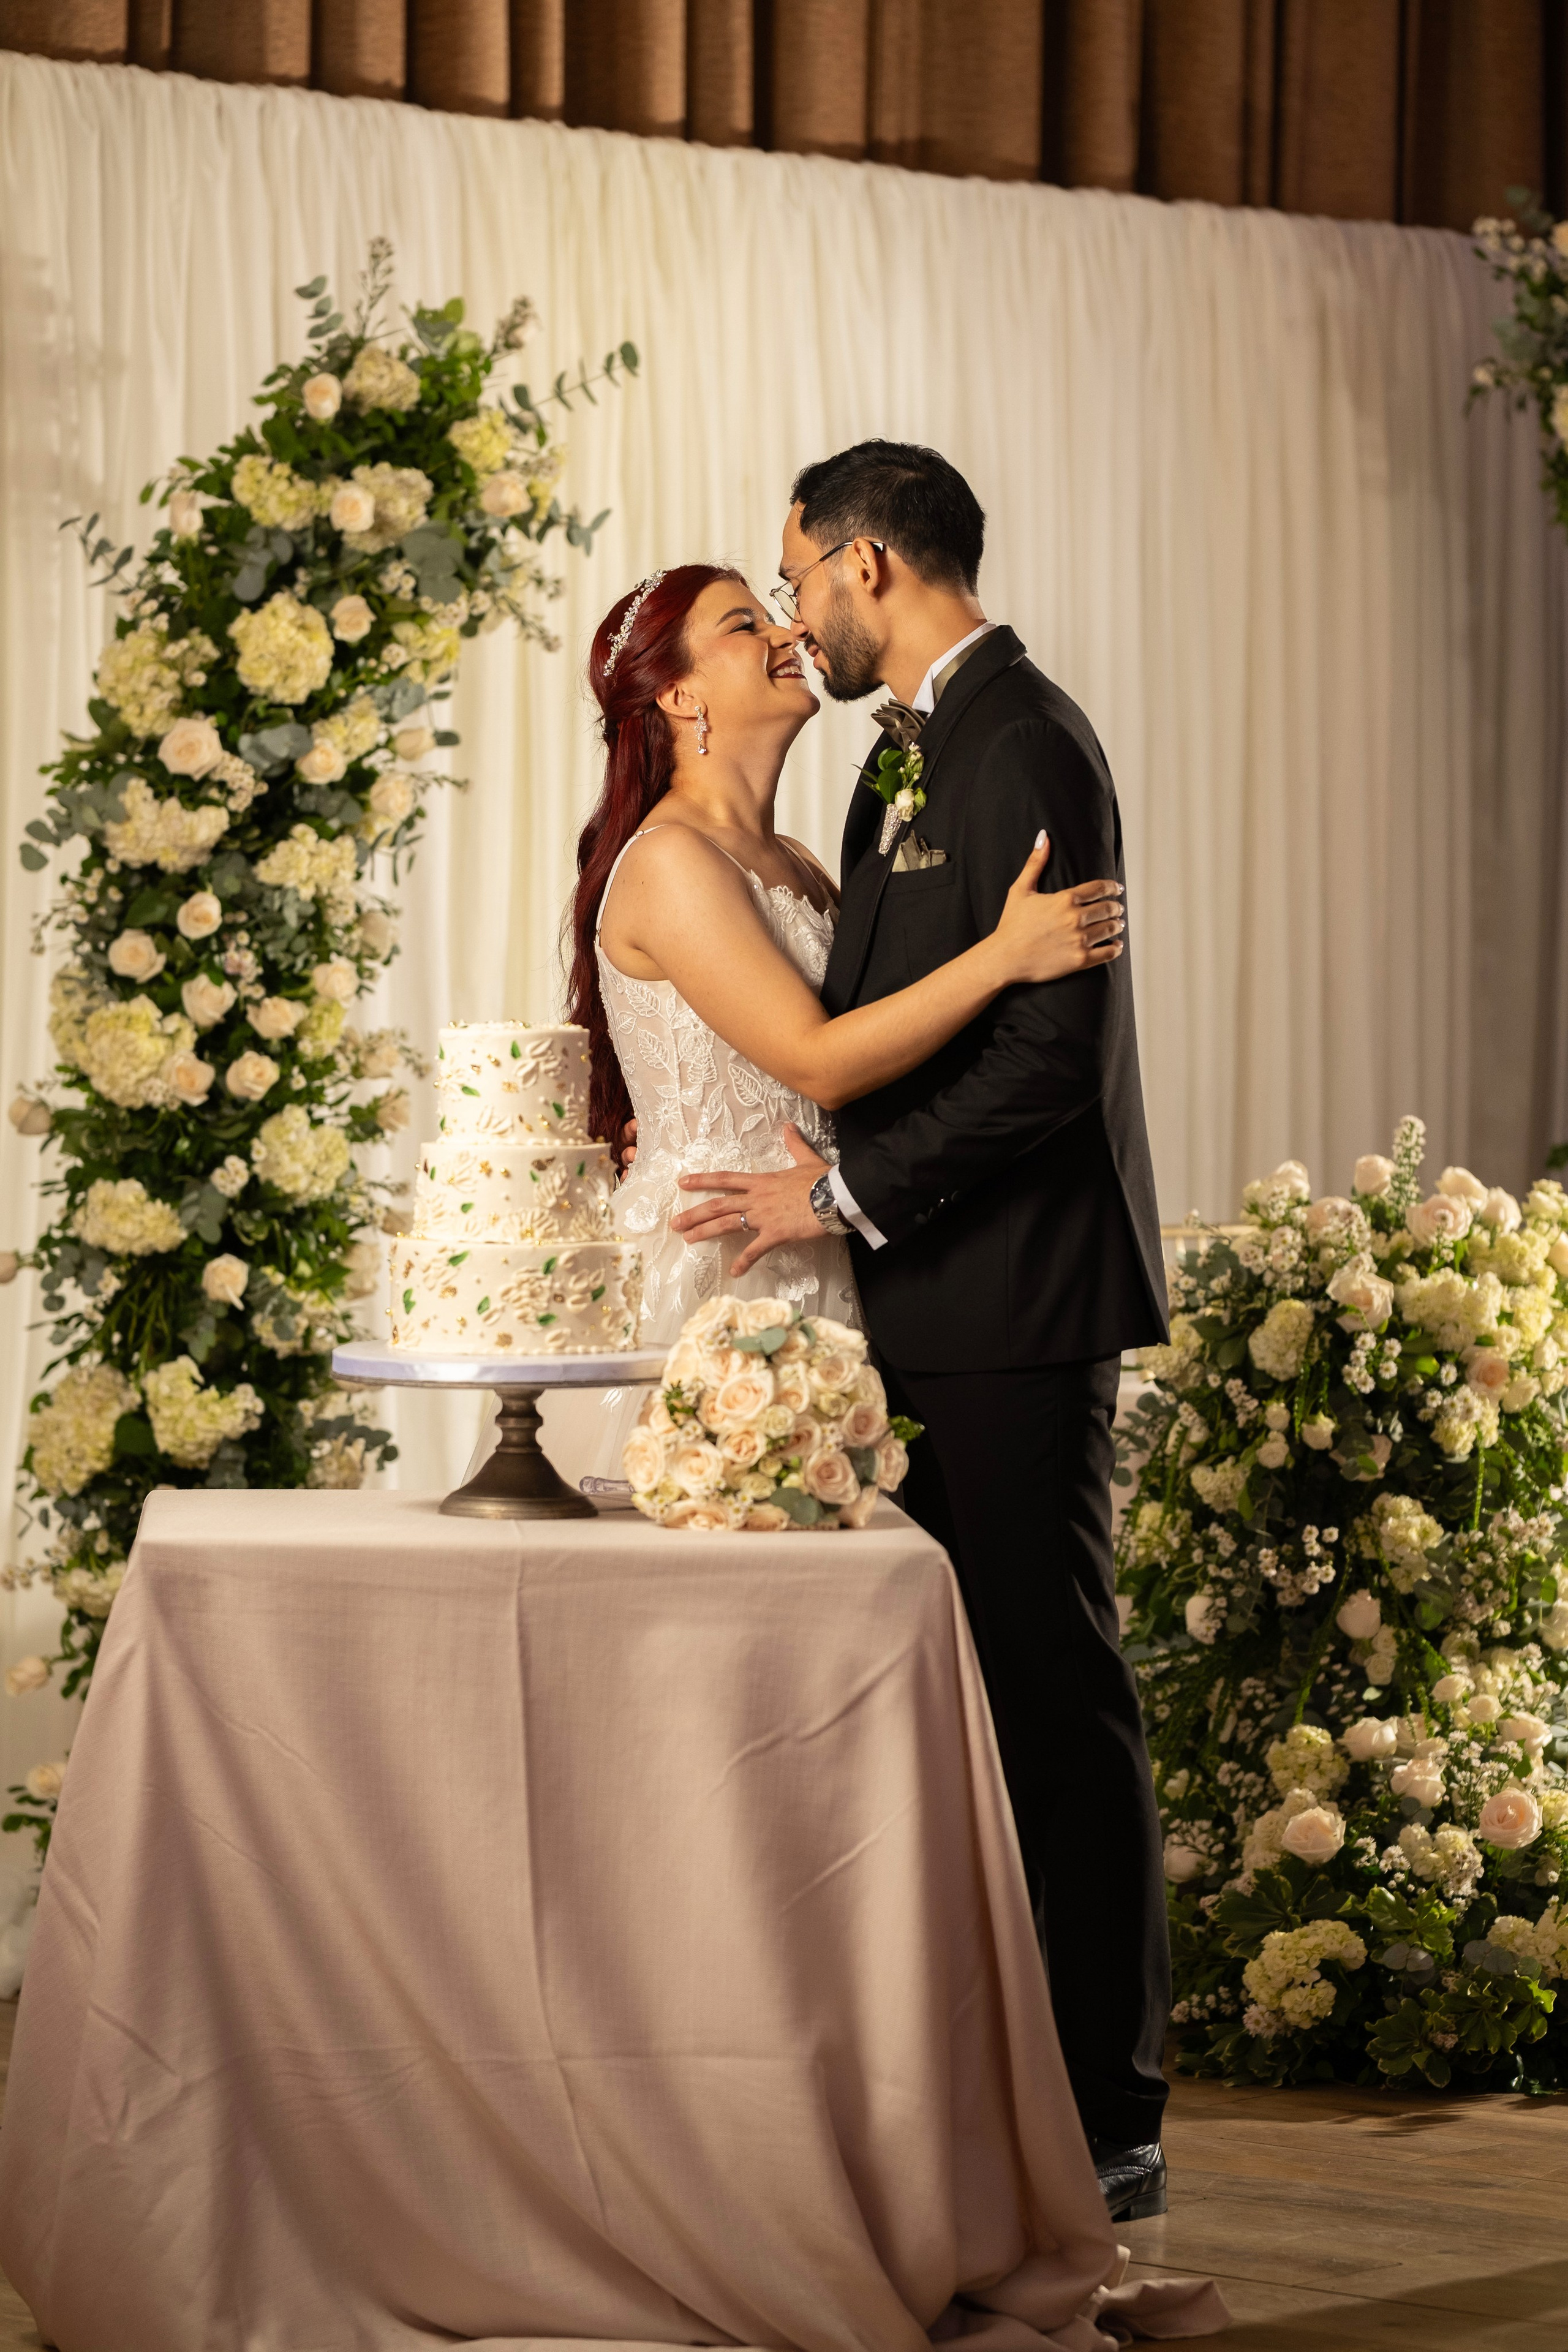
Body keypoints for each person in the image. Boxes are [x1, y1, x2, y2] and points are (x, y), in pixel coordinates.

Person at [669, 447, 1172, 2222]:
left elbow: (1051, 1065)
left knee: (1051, 1693)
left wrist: (841, 1193)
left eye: (798, 575)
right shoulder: (902, 752)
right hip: (920, 1302)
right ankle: (989, 2095)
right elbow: (887, 1020)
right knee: (961, 1711)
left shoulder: (1024, 737)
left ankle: (1112, 2116)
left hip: (1017, 1301)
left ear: (867, 562)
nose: (793, 611)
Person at [535, 560, 1124, 1496]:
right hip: (725, 1265)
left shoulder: (799, 862)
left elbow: (877, 1035)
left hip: (828, 1243)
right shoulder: (672, 859)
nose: (784, 633)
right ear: (681, 695)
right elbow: (819, 1062)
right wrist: (1004, 955)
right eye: (744, 626)